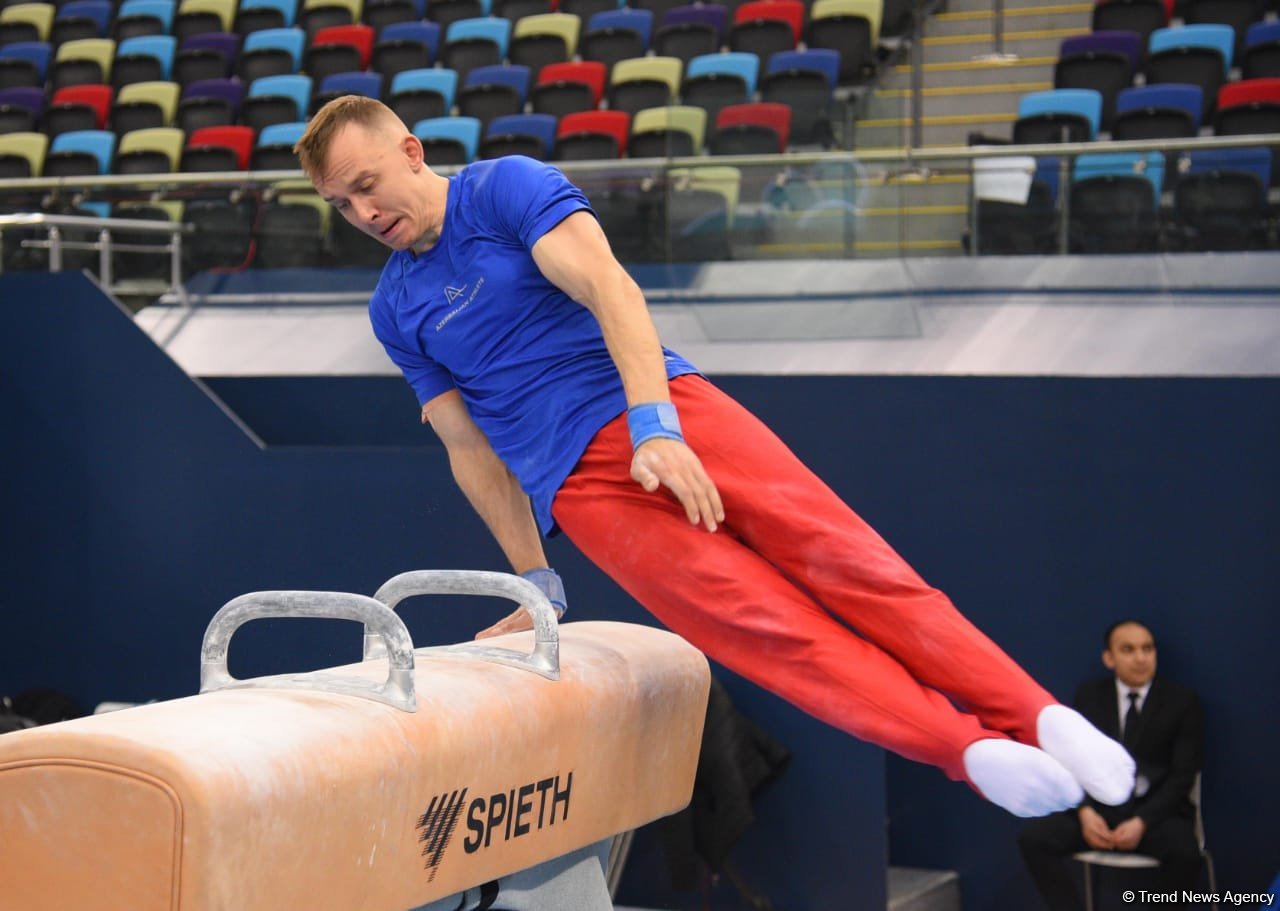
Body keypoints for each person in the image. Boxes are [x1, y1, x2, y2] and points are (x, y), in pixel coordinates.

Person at [294, 96, 1137, 818]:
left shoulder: (503, 189)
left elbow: (609, 288)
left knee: (853, 567)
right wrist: (536, 580)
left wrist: (655, 426)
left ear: (411, 151)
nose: (363, 214)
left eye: (366, 185)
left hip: (673, 413)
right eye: (341, 204)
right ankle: (968, 750)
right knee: (770, 634)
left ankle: (1037, 712)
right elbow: (469, 448)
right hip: (583, 493)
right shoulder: (394, 310)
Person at [1019, 620, 1205, 910]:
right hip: (1099, 813)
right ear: (1109, 658)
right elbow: (1072, 762)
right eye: (1128, 650)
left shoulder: (1181, 702)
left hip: (1156, 815)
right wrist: (1084, 813)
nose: (1141, 658)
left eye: (1147, 648)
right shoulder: (1089, 697)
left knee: (1186, 855)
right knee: (1034, 840)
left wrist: (1142, 821)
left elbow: (1183, 775)